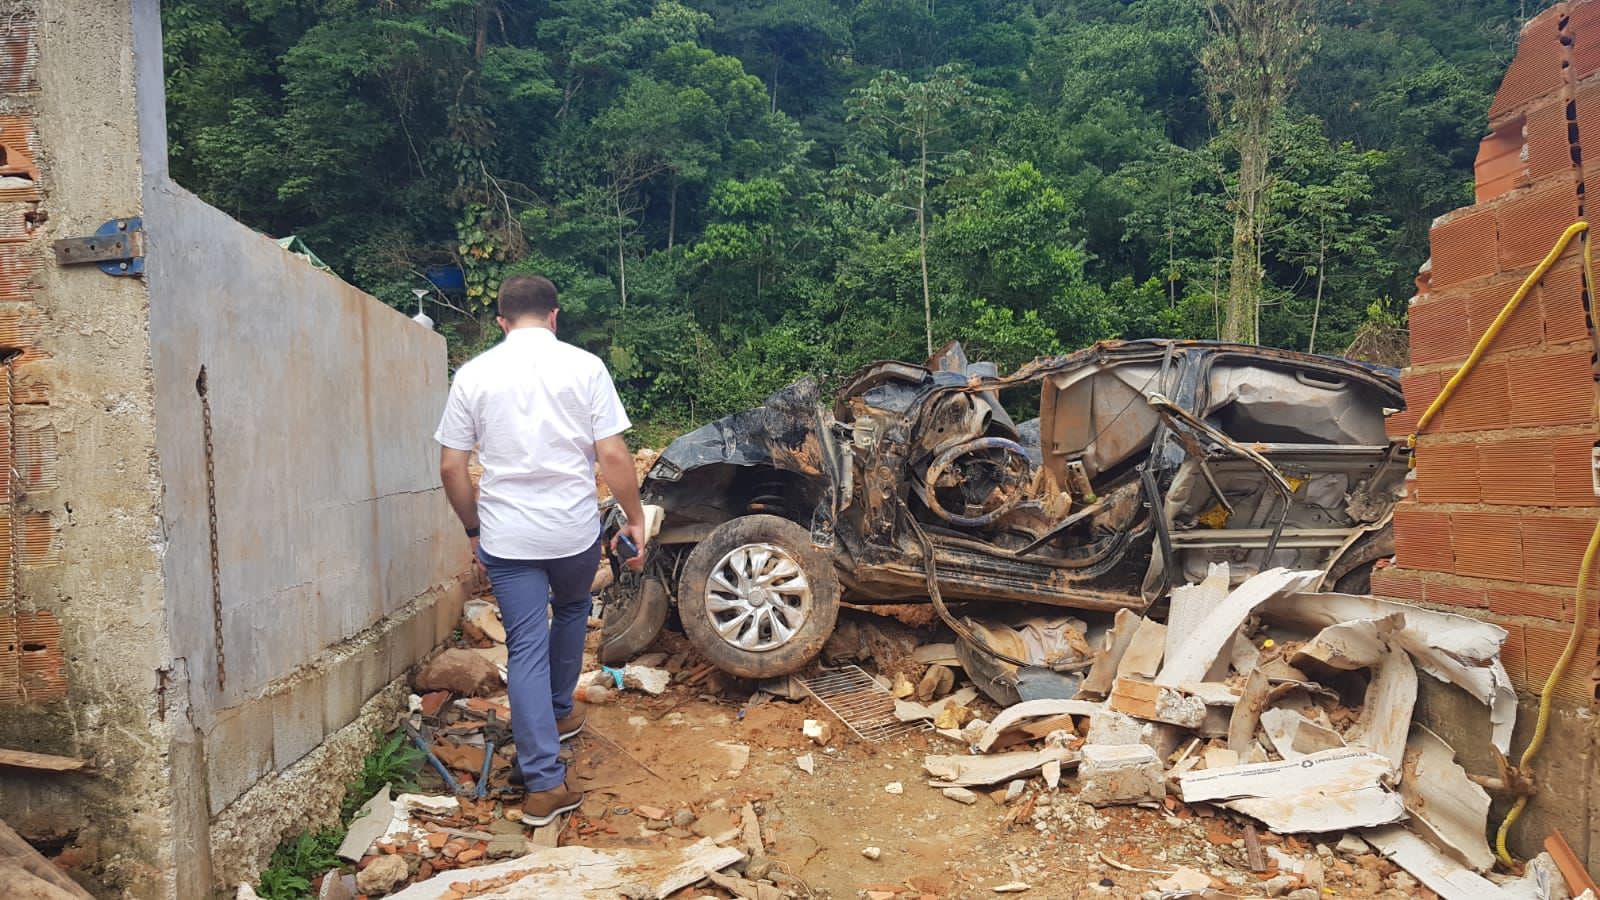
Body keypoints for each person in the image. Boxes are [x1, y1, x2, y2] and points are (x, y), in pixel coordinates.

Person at [435, 274, 648, 827]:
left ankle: (545, 784)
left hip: (507, 537)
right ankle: (557, 711)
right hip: (571, 532)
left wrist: (473, 530)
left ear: (502, 321)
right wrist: (635, 516)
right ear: (554, 315)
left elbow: (452, 467)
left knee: (525, 645)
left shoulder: (474, 375)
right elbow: (615, 457)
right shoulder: (584, 367)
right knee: (575, 608)